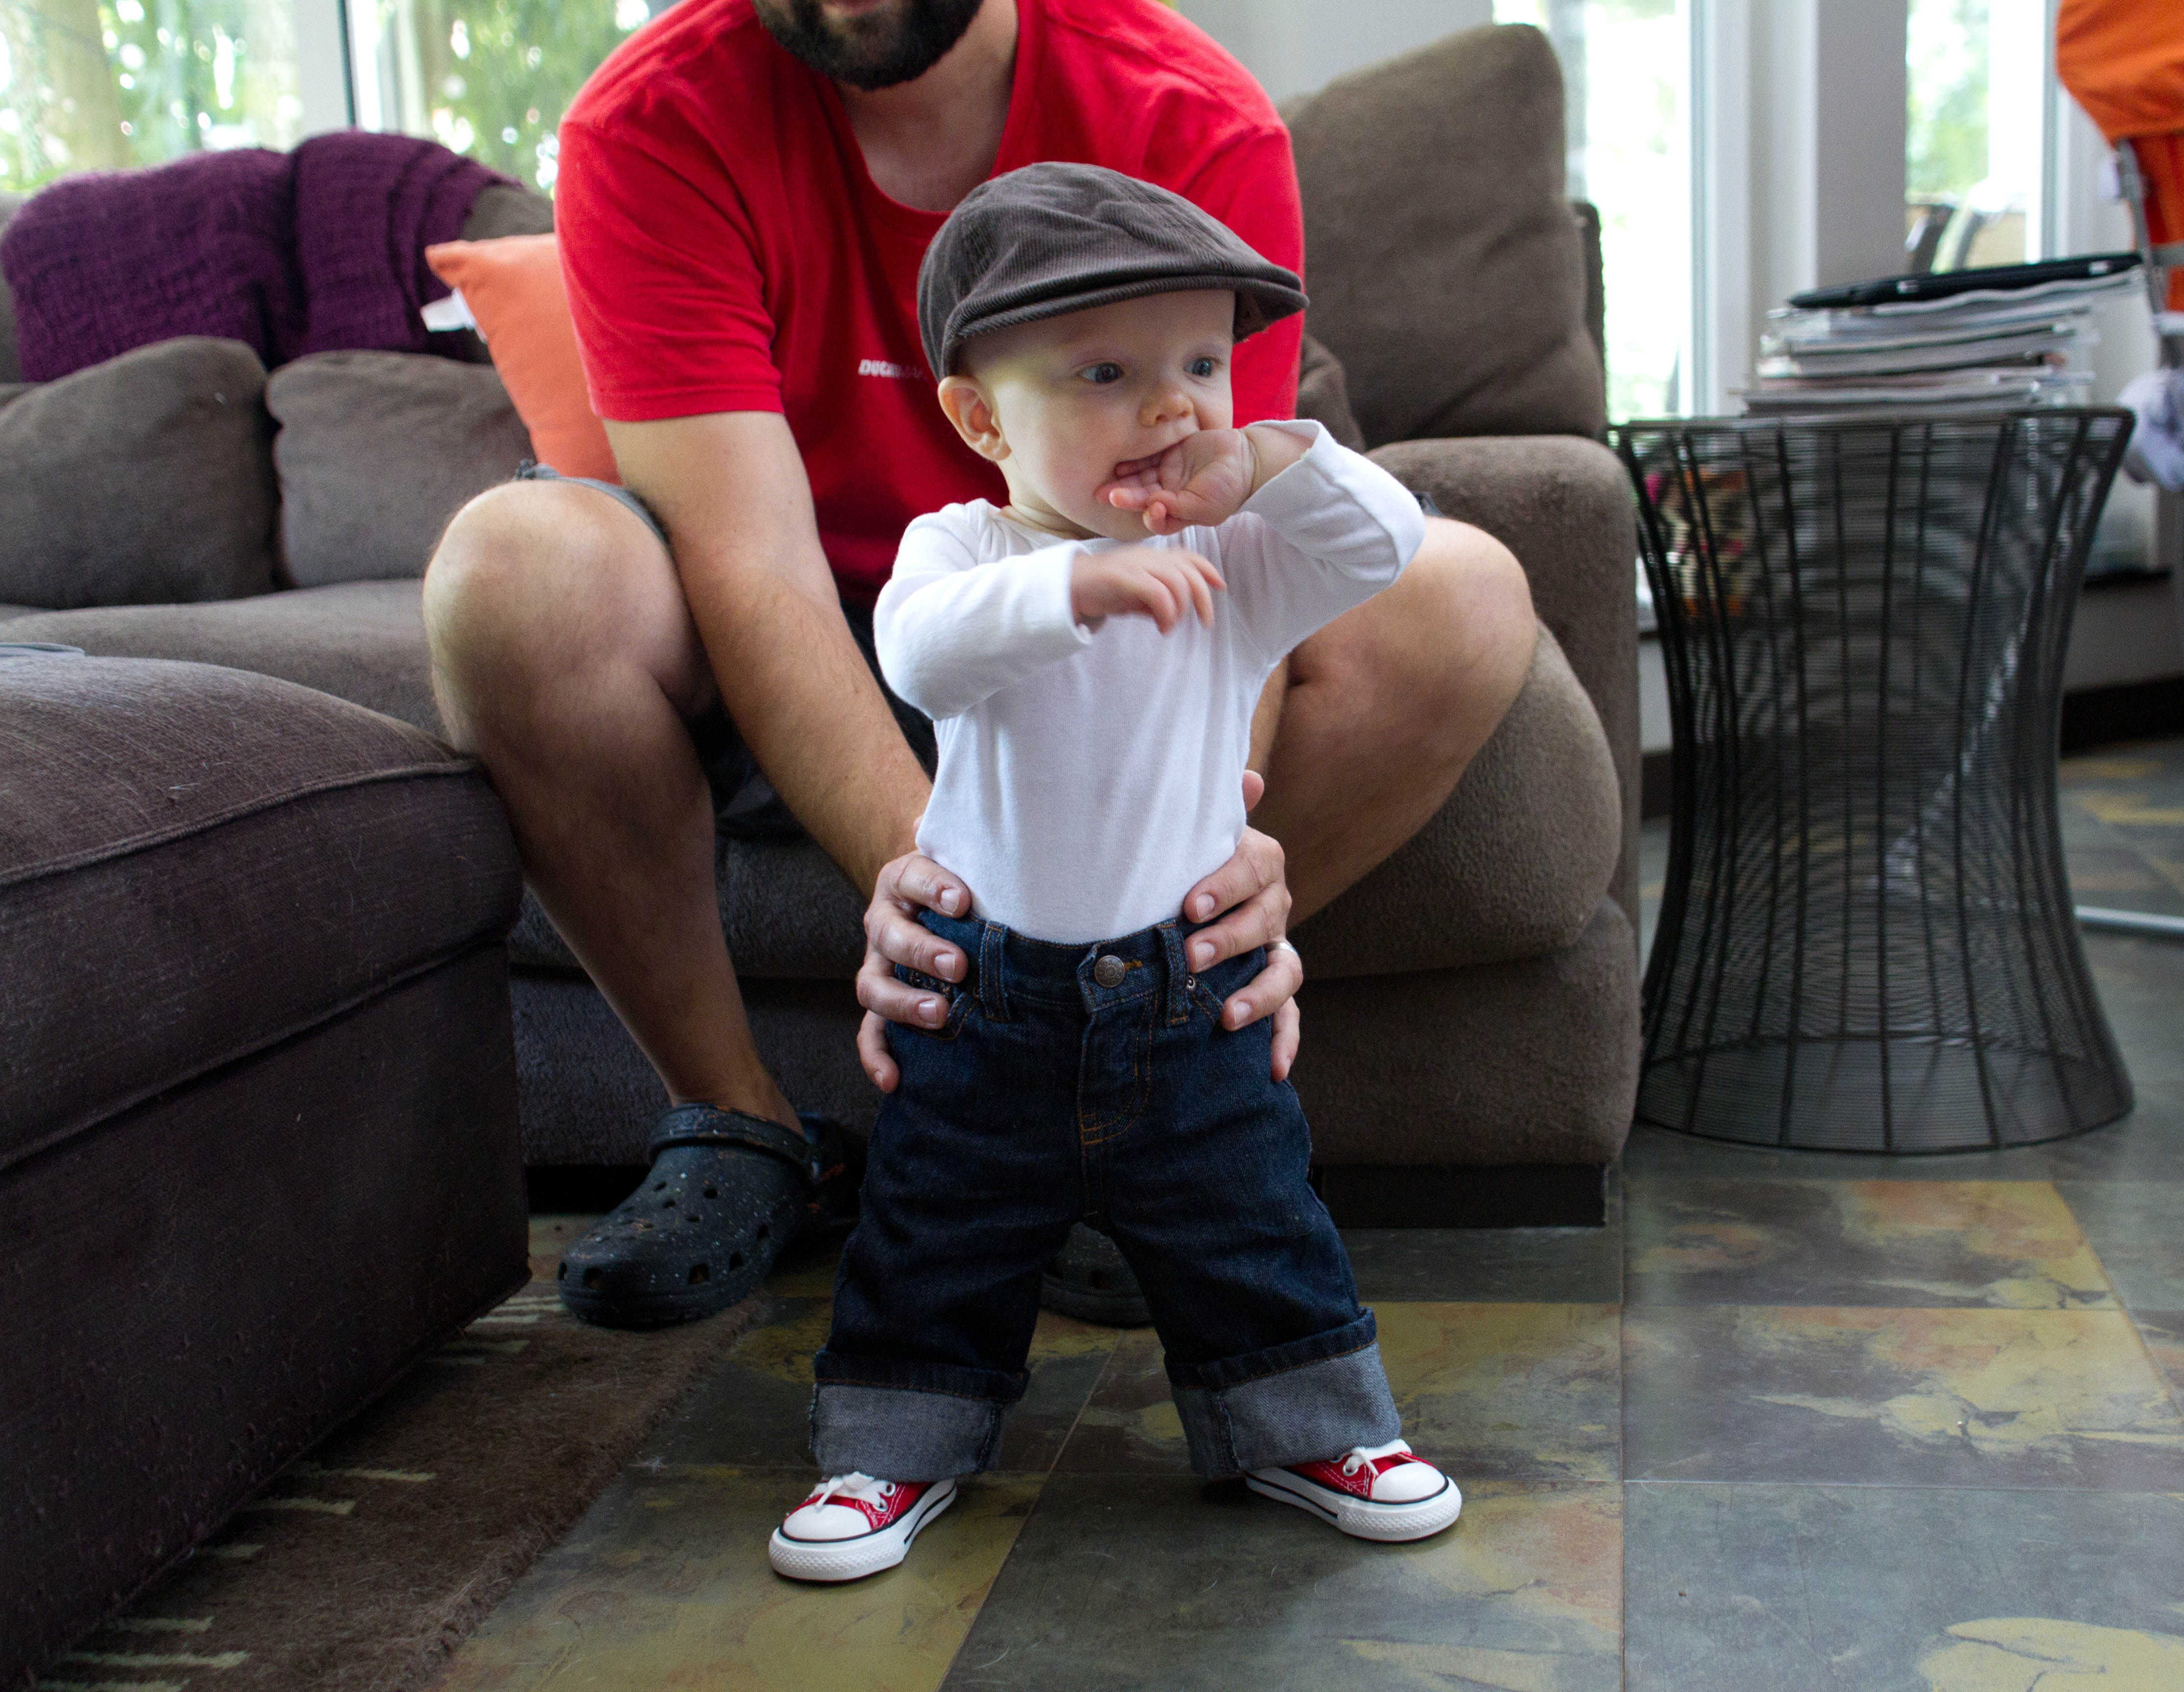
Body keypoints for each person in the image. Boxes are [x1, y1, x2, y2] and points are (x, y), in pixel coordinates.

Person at [420, 0, 1537, 1329]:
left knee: (1466, 596)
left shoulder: (1190, 115)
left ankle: (1137, 1073)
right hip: (817, 628)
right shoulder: (649, 123)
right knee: (512, 572)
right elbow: (752, 569)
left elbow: (1221, 538)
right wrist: (965, 920)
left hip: (1121, 636)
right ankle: (738, 1120)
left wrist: (1188, 847)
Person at [769, 165, 1461, 1583]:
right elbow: (921, 655)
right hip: (988, 1001)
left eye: (1201, 364)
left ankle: (1310, 1429)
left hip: (1183, 988)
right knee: (935, 1235)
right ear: (980, 418)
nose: (1174, 408)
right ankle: (892, 1449)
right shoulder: (962, 550)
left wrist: (1271, 463)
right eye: (1107, 373)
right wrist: (1073, 585)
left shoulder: (1231, 557)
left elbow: (1387, 543)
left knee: (1250, 1219)